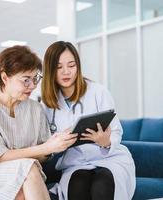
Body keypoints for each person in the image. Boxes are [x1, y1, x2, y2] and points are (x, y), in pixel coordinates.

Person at [0, 45, 77, 200]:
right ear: (5, 78)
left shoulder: (35, 109)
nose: (32, 86)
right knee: (28, 168)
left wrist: (51, 147)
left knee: (22, 191)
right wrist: (44, 148)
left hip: (22, 173)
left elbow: (42, 154)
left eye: (35, 79)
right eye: (26, 80)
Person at [41, 41, 136, 200]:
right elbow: (46, 146)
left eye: (71, 65)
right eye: (59, 67)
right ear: (50, 70)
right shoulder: (47, 105)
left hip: (109, 159)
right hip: (76, 163)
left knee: (103, 184)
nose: (66, 72)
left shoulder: (98, 91)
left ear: (78, 66)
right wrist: (57, 143)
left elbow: (116, 130)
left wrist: (106, 141)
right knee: (78, 185)